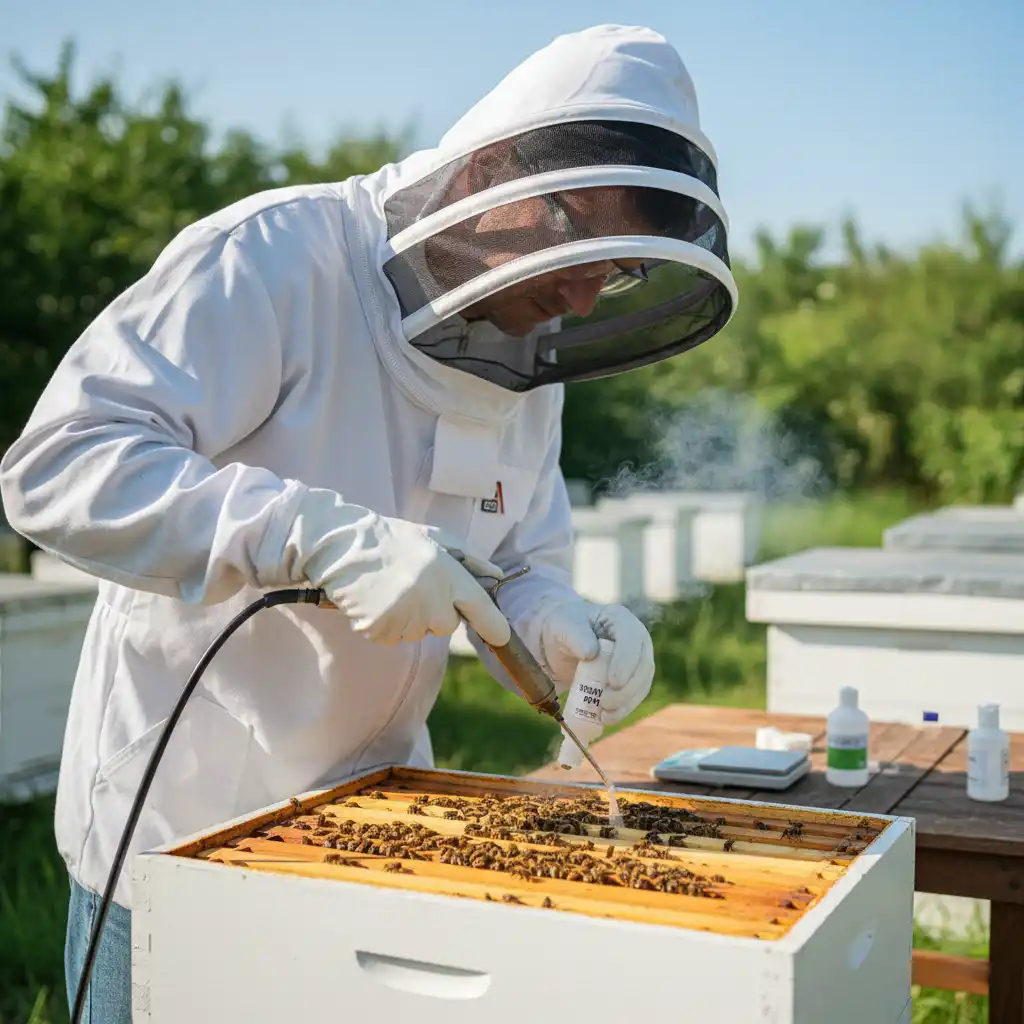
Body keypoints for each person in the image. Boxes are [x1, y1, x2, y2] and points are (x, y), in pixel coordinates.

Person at [0, 22, 736, 1022]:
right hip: (181, 814)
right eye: (574, 233)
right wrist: (314, 534)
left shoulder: (529, 351)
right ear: (488, 168)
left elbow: (513, 558)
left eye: (613, 268)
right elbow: (59, 463)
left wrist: (558, 617)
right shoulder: (272, 258)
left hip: (372, 809)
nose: (581, 287)